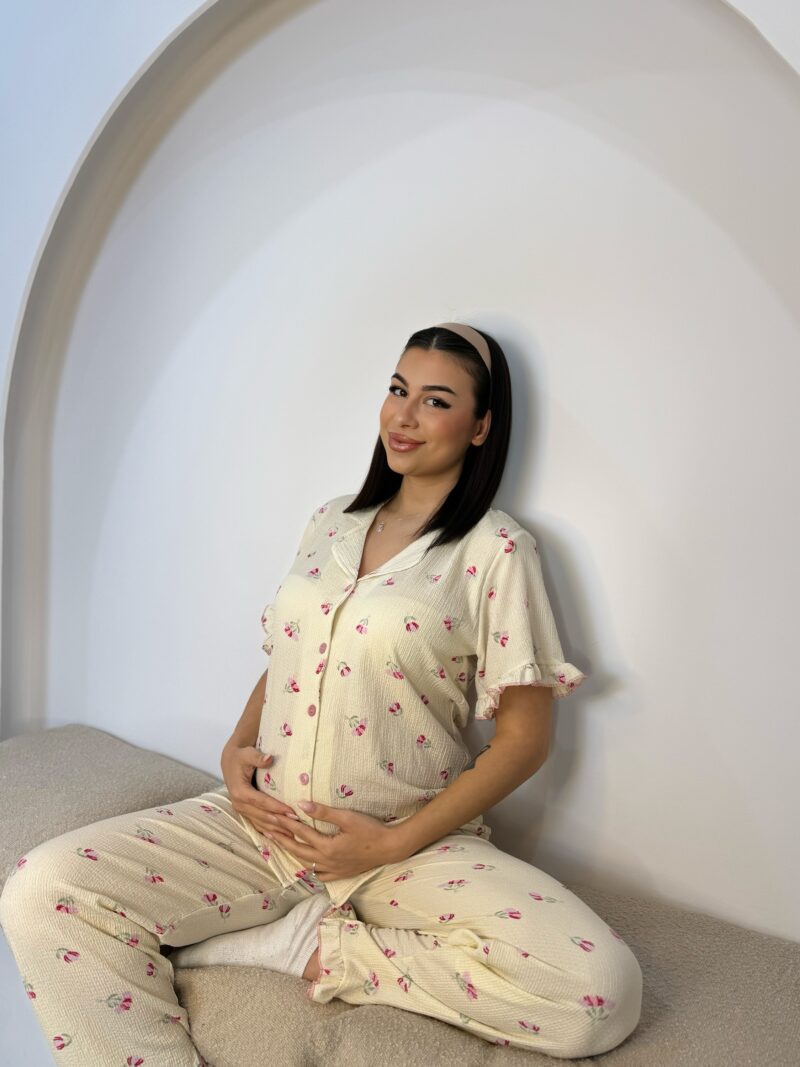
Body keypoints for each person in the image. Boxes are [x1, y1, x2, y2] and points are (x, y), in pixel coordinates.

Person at [0, 323, 643, 1063]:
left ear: (481, 427)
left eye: (435, 401)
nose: (403, 416)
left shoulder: (496, 551)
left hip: (406, 843)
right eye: (398, 390)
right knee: (41, 891)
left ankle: (312, 945)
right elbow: (290, 655)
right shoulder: (332, 521)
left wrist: (393, 841)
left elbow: (524, 741)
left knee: (599, 991)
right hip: (264, 825)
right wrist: (237, 748)